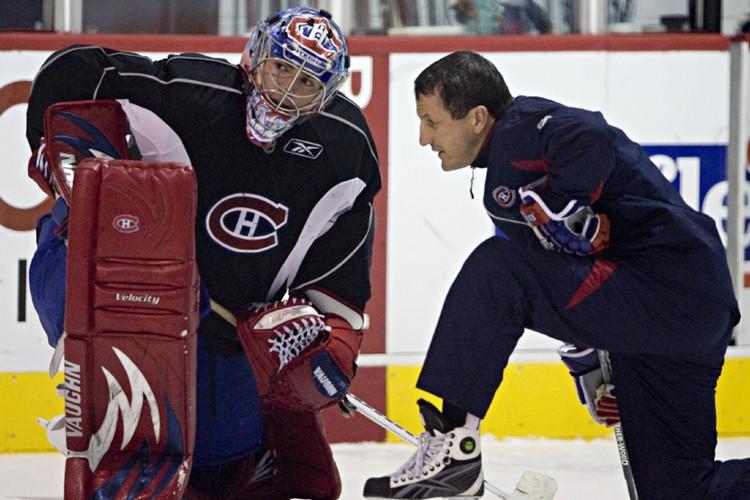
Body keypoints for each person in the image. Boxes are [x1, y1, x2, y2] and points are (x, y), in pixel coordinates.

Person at [26, 6, 380, 500]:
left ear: (326, 95)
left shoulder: (347, 152)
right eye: (281, 68)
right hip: (143, 295)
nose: (284, 91)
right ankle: (91, 371)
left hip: (224, 332)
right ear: (255, 57)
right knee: (76, 222)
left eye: (305, 83)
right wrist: (49, 146)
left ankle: (256, 455)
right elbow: (70, 69)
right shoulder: (190, 92)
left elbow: (341, 293)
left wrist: (320, 348)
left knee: (220, 473)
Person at [363, 50, 750, 499]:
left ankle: (454, 444)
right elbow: (559, 282)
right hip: (682, 311)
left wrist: (567, 205)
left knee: (495, 269)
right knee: (681, 490)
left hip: (666, 289)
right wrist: (591, 369)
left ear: (476, 118)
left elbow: (590, 133)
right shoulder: (505, 184)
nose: (423, 137)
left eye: (431, 121)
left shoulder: (522, 130)